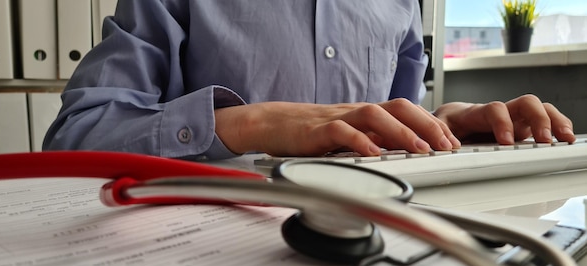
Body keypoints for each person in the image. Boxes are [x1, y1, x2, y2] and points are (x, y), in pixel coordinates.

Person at [43, 0, 575, 161]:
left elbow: (387, 122)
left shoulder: (403, 6)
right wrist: (251, 122)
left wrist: (442, 128)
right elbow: (76, 138)